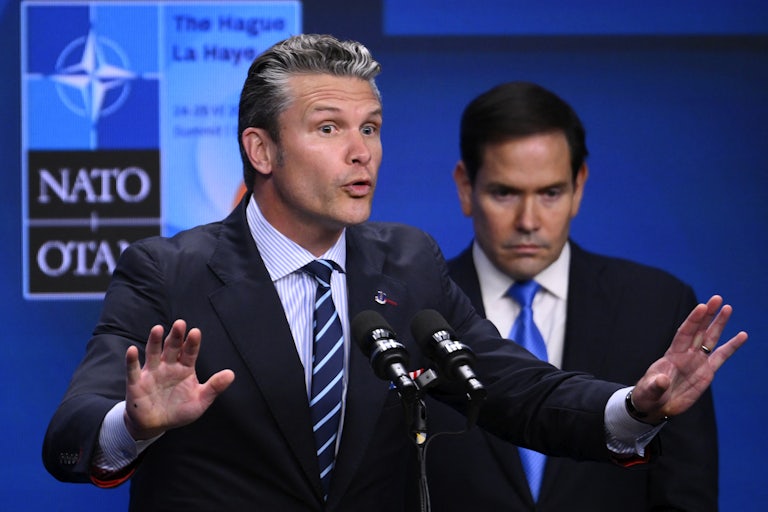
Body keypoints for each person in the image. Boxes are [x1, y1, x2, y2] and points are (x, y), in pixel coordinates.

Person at [42, 35, 746, 512]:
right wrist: (132, 426)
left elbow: (517, 388)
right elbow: (69, 437)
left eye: (371, 128)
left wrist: (636, 407)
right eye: (329, 129)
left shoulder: (405, 262)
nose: (362, 153)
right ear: (261, 149)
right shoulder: (170, 271)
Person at [425, 80, 721, 511]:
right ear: (465, 187)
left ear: (578, 186)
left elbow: (685, 496)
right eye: (505, 193)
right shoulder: (417, 310)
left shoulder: (657, 306)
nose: (529, 221)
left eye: (550, 193)